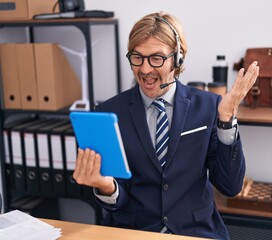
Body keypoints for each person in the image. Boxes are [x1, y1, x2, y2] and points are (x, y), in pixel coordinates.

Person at [73, 11, 259, 239]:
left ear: (178, 59)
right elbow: (118, 198)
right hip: (135, 232)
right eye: (137, 57)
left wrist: (226, 120)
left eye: (156, 58)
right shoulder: (109, 113)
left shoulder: (210, 107)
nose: (145, 69)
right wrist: (105, 186)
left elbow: (230, 186)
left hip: (196, 232)